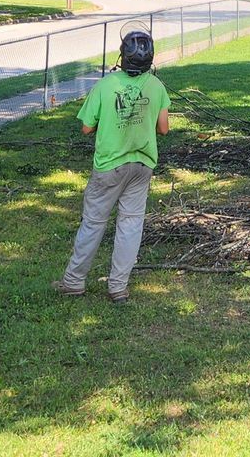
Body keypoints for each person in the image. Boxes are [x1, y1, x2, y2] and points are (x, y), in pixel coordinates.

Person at [53, 30, 171, 303]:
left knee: (94, 222)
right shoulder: (157, 86)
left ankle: (73, 281)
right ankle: (118, 287)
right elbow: (163, 128)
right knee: (130, 224)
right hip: (142, 165)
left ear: (123, 56)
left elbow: (85, 127)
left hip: (109, 165)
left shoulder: (105, 85)